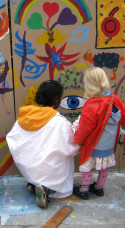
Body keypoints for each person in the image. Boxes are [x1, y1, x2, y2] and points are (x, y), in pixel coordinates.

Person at [6, 80, 80, 208]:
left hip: (28, 169)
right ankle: (47, 190)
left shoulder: (25, 116)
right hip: (49, 170)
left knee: (41, 158)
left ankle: (34, 183)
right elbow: (72, 147)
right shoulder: (60, 122)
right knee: (63, 158)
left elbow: (13, 138)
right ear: (57, 100)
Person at [73, 67, 125, 200]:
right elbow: (124, 117)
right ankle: (99, 188)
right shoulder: (115, 99)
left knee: (88, 167)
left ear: (89, 85)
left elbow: (85, 128)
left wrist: (78, 139)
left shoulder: (91, 104)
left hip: (94, 145)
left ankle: (84, 190)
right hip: (109, 145)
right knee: (104, 167)